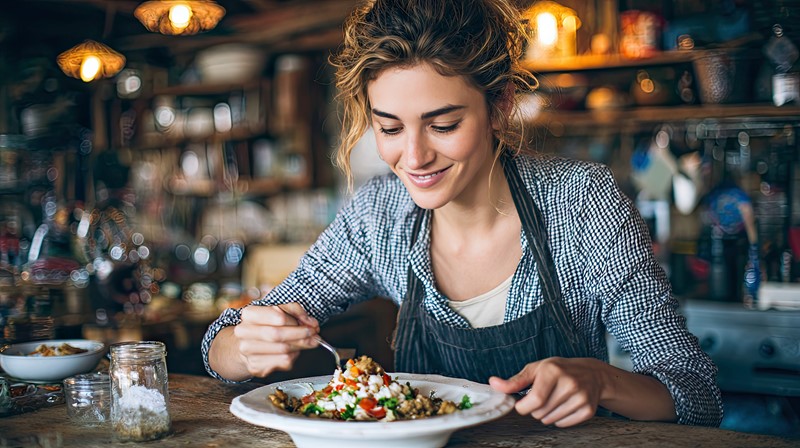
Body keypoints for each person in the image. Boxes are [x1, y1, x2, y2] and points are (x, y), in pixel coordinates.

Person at [202, 0, 723, 428]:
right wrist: (247, 346)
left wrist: (602, 380)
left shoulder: (581, 204)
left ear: (499, 106)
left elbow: (697, 395)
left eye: (443, 124)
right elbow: (221, 343)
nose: (414, 156)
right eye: (389, 128)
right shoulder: (378, 216)